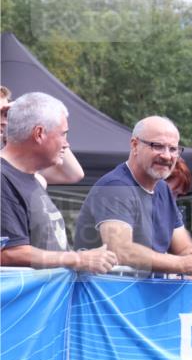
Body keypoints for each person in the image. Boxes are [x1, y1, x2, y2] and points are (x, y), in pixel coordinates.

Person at [74, 116, 192, 277]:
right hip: (109, 292)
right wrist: (181, 264)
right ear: (135, 145)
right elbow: (121, 251)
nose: (167, 156)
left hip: (144, 293)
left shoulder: (163, 189)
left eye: (173, 149)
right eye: (157, 146)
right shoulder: (115, 186)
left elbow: (183, 249)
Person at [0, 92, 116, 272]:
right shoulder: (3, 178)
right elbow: (8, 254)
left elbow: (74, 173)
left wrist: (24, 114)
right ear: (39, 133)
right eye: (63, 135)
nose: (67, 144)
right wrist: (78, 259)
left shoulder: (32, 177)